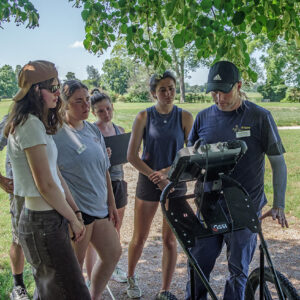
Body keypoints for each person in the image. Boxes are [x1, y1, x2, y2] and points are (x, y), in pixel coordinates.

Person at [186, 61, 288, 300]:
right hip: (210, 205)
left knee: (238, 270)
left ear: (239, 86)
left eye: (224, 91)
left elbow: (278, 162)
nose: (218, 97)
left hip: (245, 206)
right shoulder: (203, 118)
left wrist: (279, 203)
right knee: (199, 264)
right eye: (213, 92)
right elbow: (190, 156)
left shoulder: (260, 117)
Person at [5, 60, 90, 300]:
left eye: (58, 85)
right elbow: (45, 184)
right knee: (71, 292)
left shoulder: (37, 123)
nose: (57, 92)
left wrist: (74, 211)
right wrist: (73, 220)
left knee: (52, 291)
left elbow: (56, 174)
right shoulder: (29, 125)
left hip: (49, 218)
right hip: (42, 222)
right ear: (34, 91)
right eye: (52, 87)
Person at [127, 71, 194, 299]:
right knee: (140, 236)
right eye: (162, 89)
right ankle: (131, 277)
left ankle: (164, 290)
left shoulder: (185, 117)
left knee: (169, 239)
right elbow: (132, 156)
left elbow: (190, 152)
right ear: (153, 93)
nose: (168, 93)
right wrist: (154, 175)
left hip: (175, 183)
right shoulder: (143, 117)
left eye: (172, 88)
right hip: (148, 183)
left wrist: (167, 173)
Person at [54, 80, 122, 300]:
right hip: (78, 213)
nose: (85, 106)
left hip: (100, 207)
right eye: (78, 102)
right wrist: (72, 213)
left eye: (86, 100)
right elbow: (52, 175)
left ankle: (94, 296)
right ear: (64, 104)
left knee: (112, 253)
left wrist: (111, 204)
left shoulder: (93, 129)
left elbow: (105, 169)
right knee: (74, 270)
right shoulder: (56, 134)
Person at [90, 89, 128, 283]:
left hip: (118, 181)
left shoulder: (119, 129)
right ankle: (92, 269)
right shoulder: (91, 131)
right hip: (99, 184)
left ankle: (114, 264)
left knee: (117, 224)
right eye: (100, 111)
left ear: (112, 107)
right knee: (95, 228)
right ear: (93, 113)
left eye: (108, 109)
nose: (106, 114)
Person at [0, 115, 30, 300]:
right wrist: (1, 179)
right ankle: (18, 286)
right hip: (19, 187)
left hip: (50, 188)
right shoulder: (14, 116)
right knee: (19, 236)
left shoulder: (53, 116)